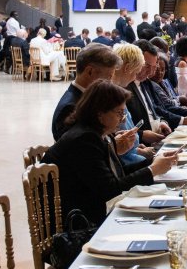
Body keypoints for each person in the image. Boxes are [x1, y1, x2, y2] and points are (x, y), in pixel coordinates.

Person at [43, 81, 179, 227]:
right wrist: (152, 170)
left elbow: (118, 172)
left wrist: (153, 161)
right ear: (100, 114)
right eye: (119, 113)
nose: (123, 119)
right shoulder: (84, 139)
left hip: (89, 208)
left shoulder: (97, 133)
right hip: (77, 221)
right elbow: (110, 189)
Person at [51, 44, 121, 141]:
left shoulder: (89, 96)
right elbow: (75, 147)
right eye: (109, 77)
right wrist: (113, 145)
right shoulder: (70, 107)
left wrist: (113, 135)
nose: (111, 82)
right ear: (90, 71)